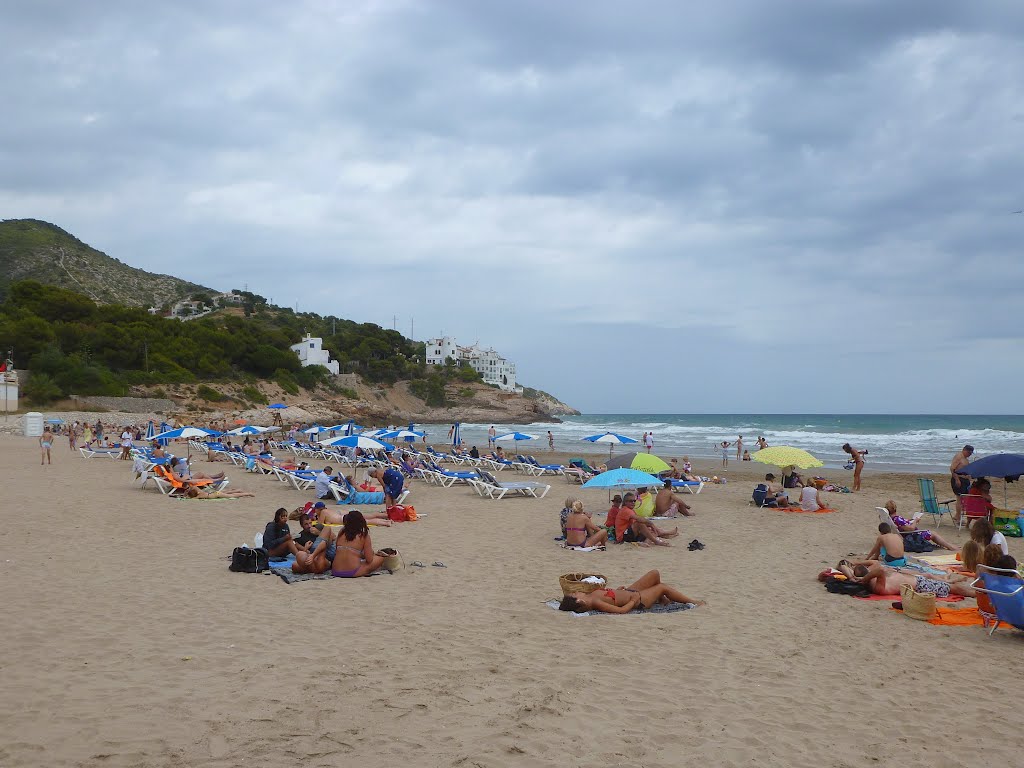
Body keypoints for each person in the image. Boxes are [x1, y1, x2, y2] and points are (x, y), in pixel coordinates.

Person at [559, 570, 705, 613]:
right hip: (638, 599)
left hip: (630, 591)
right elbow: (620, 611)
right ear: (578, 600)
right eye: (574, 594)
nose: (576, 592)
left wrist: (617, 591)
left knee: (654, 574)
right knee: (662, 587)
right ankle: (692, 602)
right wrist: (633, 601)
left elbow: (610, 597)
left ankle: (662, 599)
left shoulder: (591, 595)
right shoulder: (595, 602)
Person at [838, 561, 975, 598]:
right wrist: (860, 578)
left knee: (946, 584)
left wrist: (852, 577)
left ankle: (976, 591)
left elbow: (842, 564)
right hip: (920, 586)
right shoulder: (877, 586)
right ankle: (976, 594)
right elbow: (880, 570)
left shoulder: (872, 580)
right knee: (953, 589)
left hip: (916, 580)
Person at [883, 500, 957, 551]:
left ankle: (948, 545)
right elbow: (911, 529)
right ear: (895, 508)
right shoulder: (897, 519)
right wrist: (915, 521)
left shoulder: (892, 519)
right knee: (933, 533)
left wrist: (910, 520)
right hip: (912, 537)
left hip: (908, 536)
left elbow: (904, 524)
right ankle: (950, 547)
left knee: (932, 533)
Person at [331, 510, 386, 578]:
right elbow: (369, 560)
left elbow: (337, 550)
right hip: (352, 572)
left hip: (335, 571)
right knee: (380, 559)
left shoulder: (342, 532)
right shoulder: (364, 536)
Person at [949, 444, 974, 520]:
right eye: (969, 453)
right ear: (964, 450)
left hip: (965, 480)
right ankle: (958, 517)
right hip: (959, 479)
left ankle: (958, 515)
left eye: (971, 453)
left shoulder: (965, 458)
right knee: (959, 498)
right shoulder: (959, 456)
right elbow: (952, 469)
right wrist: (957, 479)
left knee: (964, 499)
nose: (970, 455)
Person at [185, 486, 255, 499]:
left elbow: (191, 499)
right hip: (215, 493)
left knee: (232, 496)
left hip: (216, 494)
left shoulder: (199, 496)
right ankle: (239, 491)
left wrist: (185, 495)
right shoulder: (199, 493)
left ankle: (248, 493)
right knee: (229, 493)